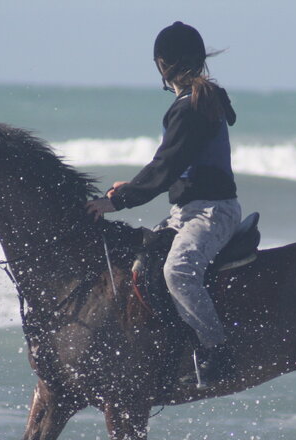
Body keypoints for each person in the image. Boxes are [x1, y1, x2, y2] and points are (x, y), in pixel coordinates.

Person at [86, 21, 241, 386]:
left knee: (179, 272)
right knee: (144, 263)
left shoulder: (190, 107)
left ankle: (217, 352)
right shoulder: (198, 100)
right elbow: (174, 164)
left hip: (210, 211)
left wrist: (119, 200)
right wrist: (134, 186)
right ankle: (172, 345)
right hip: (187, 210)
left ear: (161, 64)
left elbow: (166, 165)